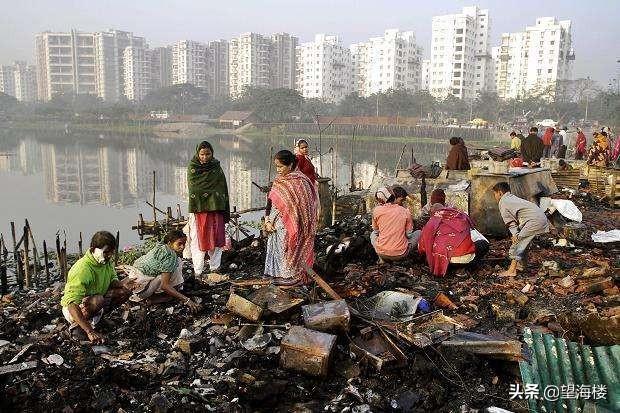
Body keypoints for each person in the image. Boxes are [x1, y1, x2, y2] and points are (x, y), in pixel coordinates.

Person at [60, 231, 130, 344]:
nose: (110, 256)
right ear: (93, 249)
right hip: (74, 310)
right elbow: (72, 304)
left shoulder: (105, 262)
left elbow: (112, 281)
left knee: (124, 292)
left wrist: (125, 283)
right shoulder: (82, 269)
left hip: (96, 300)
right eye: (106, 252)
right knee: (98, 300)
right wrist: (90, 331)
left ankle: (99, 319)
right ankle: (78, 327)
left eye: (111, 252)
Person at [264, 150, 318, 286]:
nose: (278, 170)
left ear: (290, 165)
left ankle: (291, 277)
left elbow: (307, 208)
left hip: (293, 227)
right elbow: (270, 202)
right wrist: (267, 220)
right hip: (275, 224)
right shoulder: (278, 181)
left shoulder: (301, 182)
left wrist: (296, 223)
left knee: (288, 250)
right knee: (276, 252)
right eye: (276, 166)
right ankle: (276, 276)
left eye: (281, 166)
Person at [118, 230, 201, 313]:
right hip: (141, 291)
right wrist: (187, 300)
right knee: (177, 264)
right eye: (179, 244)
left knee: (172, 266)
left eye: (184, 243)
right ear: (169, 243)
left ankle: (158, 293)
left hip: (135, 278)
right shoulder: (171, 257)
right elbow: (165, 286)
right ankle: (158, 297)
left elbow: (166, 237)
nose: (182, 247)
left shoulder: (160, 245)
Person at [185, 141, 230, 277]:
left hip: (216, 209)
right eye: (202, 154)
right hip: (200, 211)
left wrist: (214, 197)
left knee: (217, 238)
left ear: (212, 153)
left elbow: (222, 188)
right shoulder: (193, 168)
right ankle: (198, 270)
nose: (205, 157)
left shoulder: (216, 167)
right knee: (198, 239)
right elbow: (194, 189)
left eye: (208, 154)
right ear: (197, 154)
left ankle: (215, 267)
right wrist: (210, 194)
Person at [492, 182, 549, 277]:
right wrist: (516, 234)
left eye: (495, 194)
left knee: (518, 243)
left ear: (500, 193)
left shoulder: (503, 202)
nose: (495, 197)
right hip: (540, 217)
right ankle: (522, 266)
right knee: (524, 242)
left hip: (534, 220)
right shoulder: (512, 198)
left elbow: (510, 222)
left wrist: (515, 234)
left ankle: (511, 270)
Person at [418, 204, 489, 277]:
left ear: (432, 213)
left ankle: (446, 268)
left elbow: (422, 247)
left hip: (440, 260)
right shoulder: (460, 215)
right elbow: (474, 232)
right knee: (483, 244)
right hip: (462, 259)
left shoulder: (431, 222)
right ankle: (463, 268)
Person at [371, 187, 417, 263]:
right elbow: (409, 235)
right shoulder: (405, 211)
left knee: (372, 234)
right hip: (400, 254)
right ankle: (404, 259)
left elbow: (376, 232)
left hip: (382, 253)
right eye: (401, 200)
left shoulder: (376, 210)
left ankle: (381, 259)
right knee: (419, 233)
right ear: (394, 197)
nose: (402, 203)